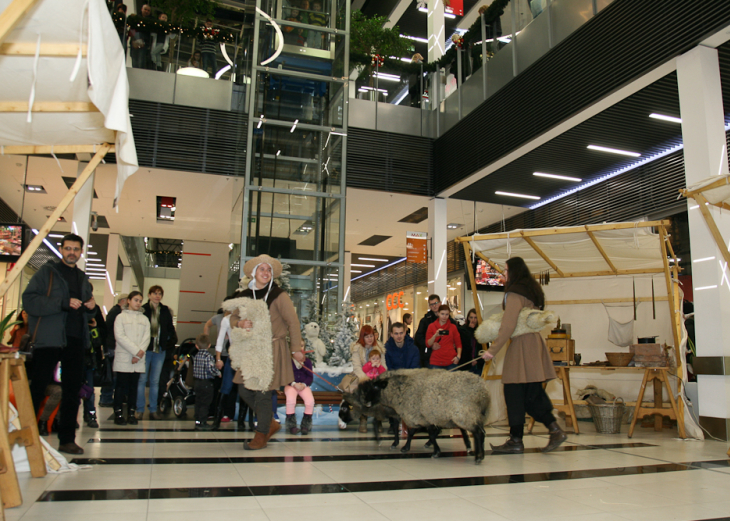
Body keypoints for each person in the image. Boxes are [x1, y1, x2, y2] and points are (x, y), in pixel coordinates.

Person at [481, 257, 567, 454]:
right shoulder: (531, 291)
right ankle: (552, 430)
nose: (504, 274)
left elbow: (508, 325)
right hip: (534, 345)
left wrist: (492, 351)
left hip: (521, 347)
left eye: (506, 270)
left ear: (515, 271)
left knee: (514, 394)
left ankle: (517, 440)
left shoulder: (514, 294)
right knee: (532, 394)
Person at [23, 233, 95, 455]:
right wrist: (62, 303)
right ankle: (26, 438)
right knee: (37, 388)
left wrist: (91, 307)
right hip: (49, 339)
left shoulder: (83, 278)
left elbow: (89, 311)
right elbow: (30, 301)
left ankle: (67, 439)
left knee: (73, 391)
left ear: (81, 253)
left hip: (75, 339)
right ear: (61, 250)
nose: (72, 252)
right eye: (67, 248)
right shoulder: (47, 273)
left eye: (76, 249)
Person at [229, 254, 304, 450]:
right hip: (250, 349)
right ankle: (269, 422)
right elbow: (232, 317)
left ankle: (261, 434)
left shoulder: (279, 295)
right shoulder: (244, 295)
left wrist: (296, 348)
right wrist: (239, 323)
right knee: (243, 388)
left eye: (269, 270)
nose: (266, 273)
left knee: (262, 392)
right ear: (254, 273)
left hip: (271, 350)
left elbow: (293, 322)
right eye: (262, 269)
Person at [136, 285, 176, 420]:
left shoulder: (165, 310)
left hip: (160, 350)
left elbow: (170, 328)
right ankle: (139, 409)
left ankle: (153, 409)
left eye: (159, 293)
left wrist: (168, 344)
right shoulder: (143, 310)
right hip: (145, 350)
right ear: (149, 295)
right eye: (154, 293)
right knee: (142, 380)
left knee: (155, 381)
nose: (157, 296)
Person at [113, 291, 149, 425]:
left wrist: (139, 354)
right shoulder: (120, 318)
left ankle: (131, 413)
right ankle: (118, 413)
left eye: (140, 301)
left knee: (134, 387)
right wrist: (135, 352)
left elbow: (146, 338)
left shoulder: (144, 319)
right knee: (121, 387)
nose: (138, 303)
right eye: (135, 300)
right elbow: (120, 337)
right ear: (128, 301)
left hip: (138, 359)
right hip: (125, 357)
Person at [383, 322, 419, 435]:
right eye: (396, 333)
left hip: (409, 380)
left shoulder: (413, 349)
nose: (399, 336)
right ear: (391, 334)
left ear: (405, 333)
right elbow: (388, 368)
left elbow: (415, 368)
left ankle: (412, 422)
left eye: (401, 333)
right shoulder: (386, 349)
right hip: (393, 380)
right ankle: (393, 423)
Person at [350, 324, 386, 432]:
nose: (369, 339)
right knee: (363, 392)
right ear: (362, 337)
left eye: (371, 336)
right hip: (361, 377)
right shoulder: (357, 348)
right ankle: (363, 419)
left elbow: (384, 366)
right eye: (367, 336)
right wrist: (366, 379)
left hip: (377, 377)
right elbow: (357, 368)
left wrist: (379, 377)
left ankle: (378, 420)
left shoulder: (379, 348)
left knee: (380, 392)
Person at [99, 293, 128, 407]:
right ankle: (106, 398)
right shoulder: (116, 312)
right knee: (111, 374)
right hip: (113, 346)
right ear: (123, 301)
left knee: (112, 373)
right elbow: (108, 328)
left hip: (113, 346)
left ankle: (107, 397)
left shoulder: (115, 312)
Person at [83, 305, 106, 428]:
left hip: (90, 360)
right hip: (75, 359)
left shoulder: (95, 310)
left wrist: (94, 327)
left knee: (90, 390)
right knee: (74, 389)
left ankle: (91, 415)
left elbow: (98, 341)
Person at [192, 334, 220, 430]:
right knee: (205, 403)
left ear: (196, 346)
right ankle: (203, 422)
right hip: (206, 383)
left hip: (197, 382)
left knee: (198, 402)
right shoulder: (208, 356)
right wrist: (218, 373)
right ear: (209, 345)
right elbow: (210, 369)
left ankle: (197, 421)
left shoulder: (196, 356)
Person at [284, 353, 314, 435]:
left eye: (302, 346)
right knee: (290, 400)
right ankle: (291, 426)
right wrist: (293, 384)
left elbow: (310, 376)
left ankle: (305, 425)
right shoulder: (288, 361)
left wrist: (304, 384)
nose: (301, 349)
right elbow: (285, 375)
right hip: (291, 385)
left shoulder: (307, 361)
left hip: (303, 386)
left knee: (310, 401)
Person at [426, 305, 462, 370]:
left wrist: (458, 356)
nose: (444, 317)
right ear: (438, 314)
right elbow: (428, 344)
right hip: (435, 361)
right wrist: (435, 335)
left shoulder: (453, 327)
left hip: (451, 361)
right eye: (442, 314)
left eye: (447, 314)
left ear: (449, 315)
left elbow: (458, 344)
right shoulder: (431, 326)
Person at [414, 295, 442, 367]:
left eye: (436, 303)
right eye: (431, 304)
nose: (434, 306)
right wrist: (430, 345)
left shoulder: (448, 319)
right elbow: (419, 337)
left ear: (440, 303)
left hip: (445, 355)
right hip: (429, 356)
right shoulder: (425, 321)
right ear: (429, 306)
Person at [129, 4, 153, 69]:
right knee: (134, 59)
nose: (147, 11)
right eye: (145, 9)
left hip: (144, 43)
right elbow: (131, 29)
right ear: (141, 9)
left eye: (148, 10)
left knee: (141, 60)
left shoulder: (151, 21)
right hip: (135, 42)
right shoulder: (135, 18)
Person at [458, 308, 482, 375]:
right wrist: (470, 329)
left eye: (475, 318)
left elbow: (483, 349)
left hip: (478, 364)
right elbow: (464, 345)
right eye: (471, 317)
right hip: (465, 364)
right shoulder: (462, 330)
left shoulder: (482, 331)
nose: (473, 320)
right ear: (468, 318)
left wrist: (477, 360)